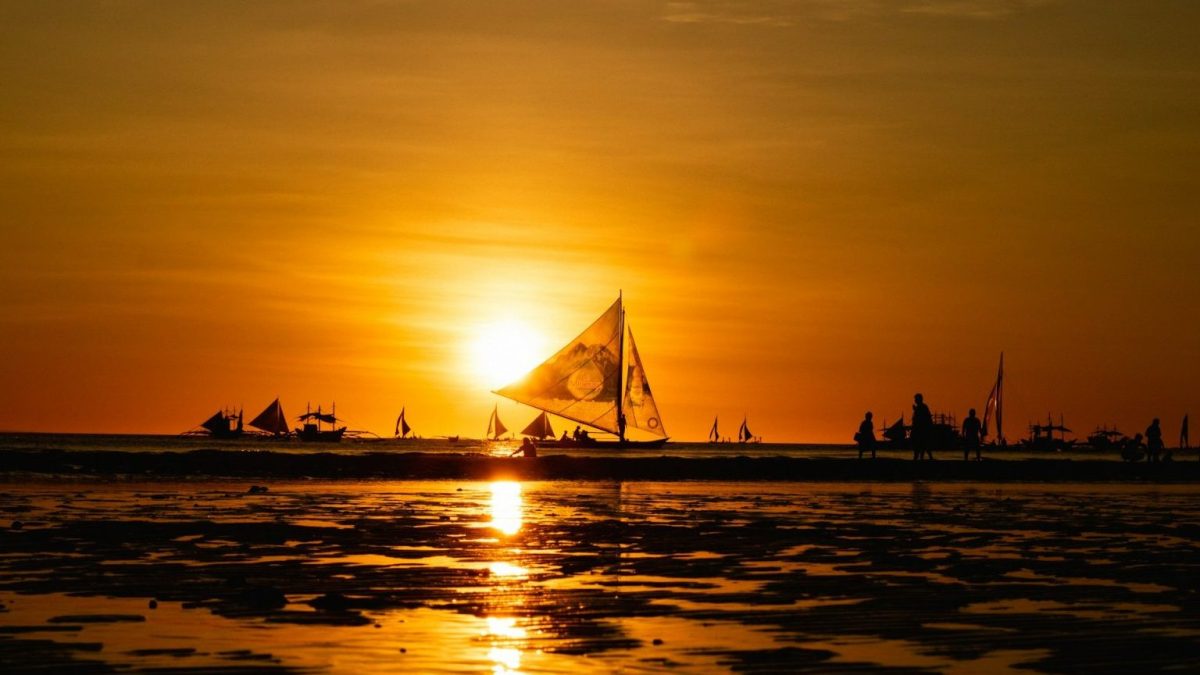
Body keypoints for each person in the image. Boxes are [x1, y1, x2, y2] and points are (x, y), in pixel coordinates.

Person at [911, 393, 934, 461]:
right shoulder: (921, 407)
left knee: (922, 444)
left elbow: (925, 418)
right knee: (921, 445)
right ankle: (920, 458)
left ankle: (920, 458)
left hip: (921, 429)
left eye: (916, 399)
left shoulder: (923, 407)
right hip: (919, 429)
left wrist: (916, 410)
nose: (915, 400)